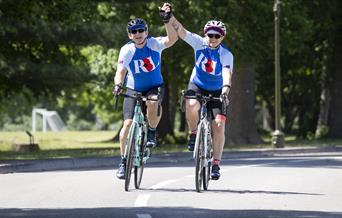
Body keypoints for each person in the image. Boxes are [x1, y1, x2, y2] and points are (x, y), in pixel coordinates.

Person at [112, 3, 177, 180]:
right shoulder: (127, 50)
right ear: (129, 35)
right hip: (133, 88)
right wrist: (118, 84)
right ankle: (124, 161)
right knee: (126, 125)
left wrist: (167, 20)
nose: (138, 34)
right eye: (134, 32)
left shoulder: (154, 44)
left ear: (146, 32)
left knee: (153, 102)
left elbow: (172, 39)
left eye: (141, 30)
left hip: (154, 86)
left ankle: (152, 131)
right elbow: (120, 72)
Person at [168, 13, 233, 180]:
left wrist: (226, 89)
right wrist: (169, 17)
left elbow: (226, 72)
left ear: (222, 37)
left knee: (218, 125)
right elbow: (181, 32)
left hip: (218, 90)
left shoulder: (226, 54)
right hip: (197, 85)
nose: (213, 38)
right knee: (191, 105)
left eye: (217, 35)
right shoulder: (198, 43)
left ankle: (216, 164)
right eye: (210, 34)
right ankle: (193, 133)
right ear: (206, 34)